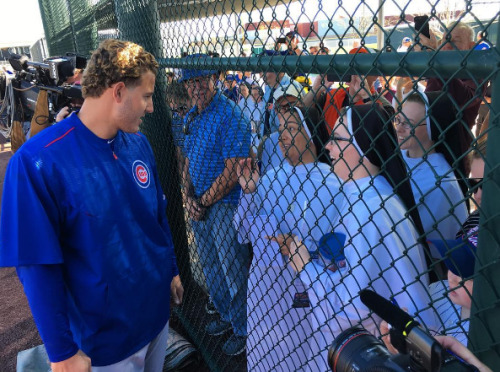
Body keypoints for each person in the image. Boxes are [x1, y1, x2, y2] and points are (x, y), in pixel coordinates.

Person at [0, 39, 183, 371]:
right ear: (117, 92)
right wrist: (61, 352)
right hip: (104, 345)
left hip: (156, 317)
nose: (151, 107)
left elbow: (157, 214)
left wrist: (170, 269)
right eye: (146, 96)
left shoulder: (139, 144)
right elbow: (36, 264)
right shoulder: (37, 162)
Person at [274, 104, 437, 372]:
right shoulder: (366, 193)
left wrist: (305, 265)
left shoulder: (371, 210)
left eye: (338, 139)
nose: (328, 146)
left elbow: (347, 312)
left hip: (371, 353)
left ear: (363, 148)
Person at [236, 106, 341, 372]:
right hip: (265, 294)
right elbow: (241, 232)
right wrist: (249, 192)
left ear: (311, 135)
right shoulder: (268, 178)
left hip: (303, 297)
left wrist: (300, 248)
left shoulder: (332, 184)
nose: (282, 136)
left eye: (291, 129)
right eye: (281, 129)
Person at [180, 54, 251, 355]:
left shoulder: (231, 114)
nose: (196, 87)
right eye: (190, 82)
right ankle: (225, 315)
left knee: (232, 269)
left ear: (216, 79)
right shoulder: (192, 115)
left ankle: (244, 328)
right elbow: (186, 159)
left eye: (202, 79)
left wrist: (202, 201)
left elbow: (234, 171)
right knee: (211, 266)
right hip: (200, 202)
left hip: (225, 205)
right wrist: (187, 195)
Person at [394, 92, 468, 248]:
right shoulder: (397, 155)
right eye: (398, 120)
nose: (399, 129)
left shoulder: (442, 182)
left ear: (432, 128)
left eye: (408, 123)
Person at [302, 47, 393, 134]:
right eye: (351, 64)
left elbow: (381, 131)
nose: (353, 70)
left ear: (375, 75)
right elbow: (301, 113)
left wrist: (366, 97)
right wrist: (315, 90)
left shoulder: (383, 106)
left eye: (361, 66)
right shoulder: (332, 96)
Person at [418, 21, 485, 131]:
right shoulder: (436, 68)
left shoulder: (476, 74)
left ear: (471, 46)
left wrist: (436, 61)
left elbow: (463, 98)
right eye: (445, 40)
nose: (448, 45)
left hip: (453, 144)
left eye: (456, 41)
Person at [259, 50, 304, 136]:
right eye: (260, 71)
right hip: (269, 143)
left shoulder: (292, 87)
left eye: (264, 70)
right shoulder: (268, 89)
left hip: (287, 142)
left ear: (277, 67)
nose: (261, 75)